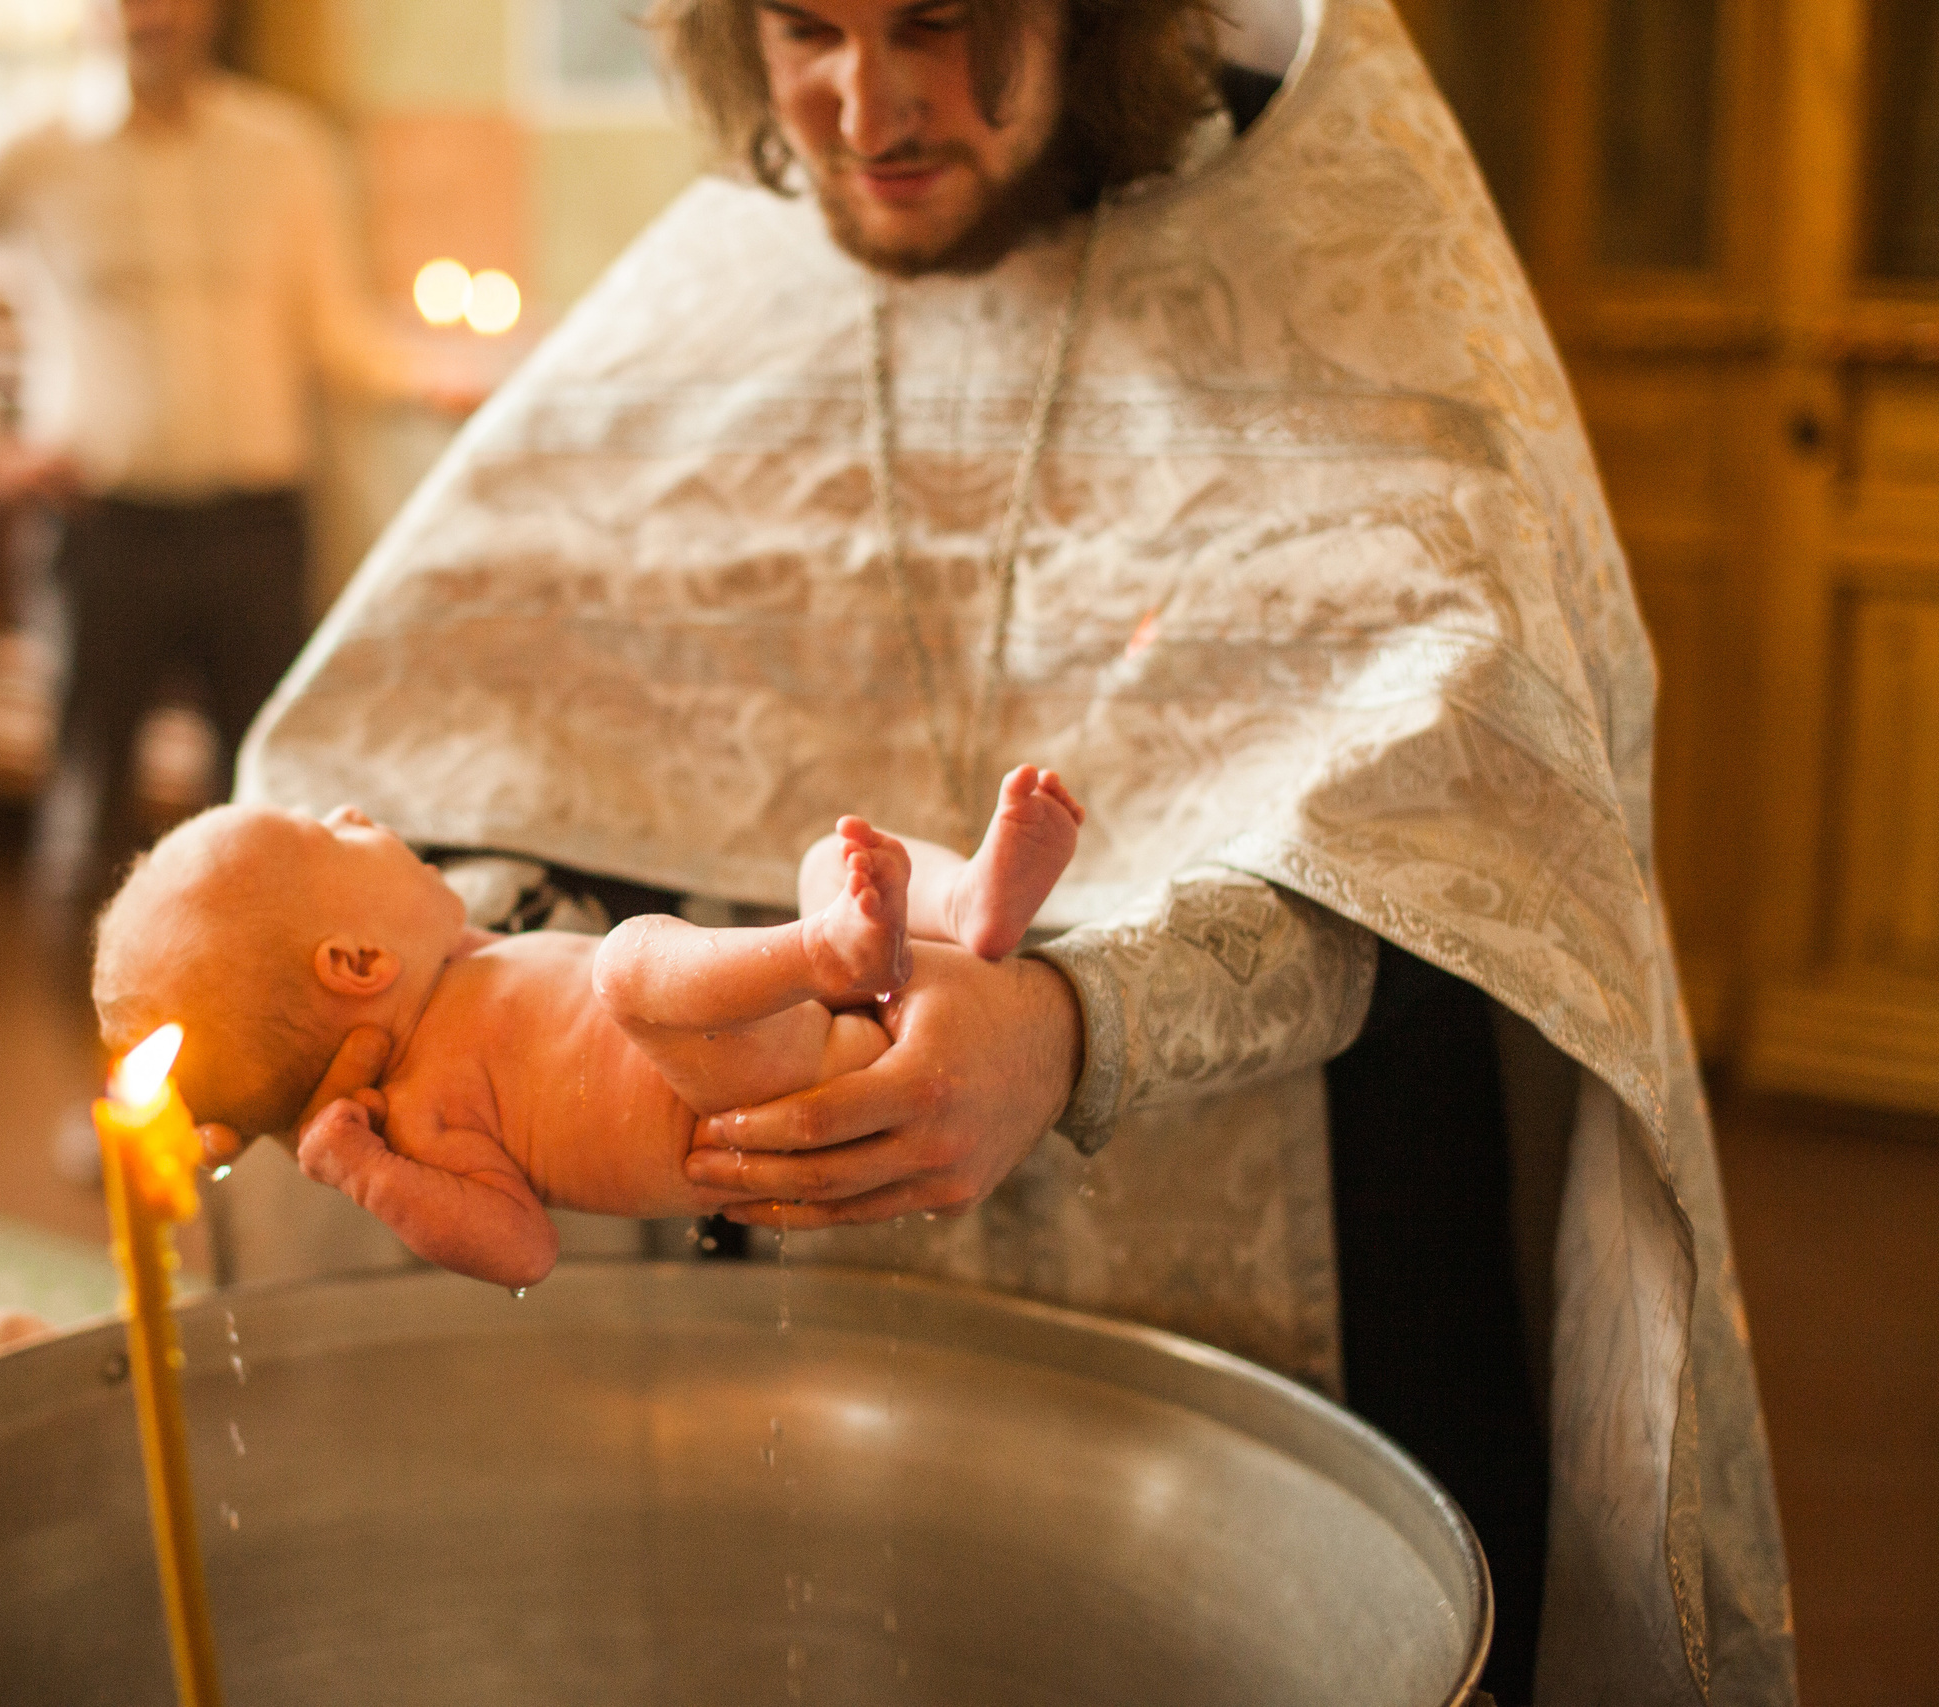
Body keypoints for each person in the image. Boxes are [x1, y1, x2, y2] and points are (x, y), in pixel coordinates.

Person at [231, 0, 1798, 1702]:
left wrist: (1072, 1024)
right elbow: (445, 756)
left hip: (1312, 1282)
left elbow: (1477, 830)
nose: (871, 104)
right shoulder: (708, 298)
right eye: (805, 30)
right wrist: (446, 969)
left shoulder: (1337, 260)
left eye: (943, 22)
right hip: (822, 1329)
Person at [0, 0, 445, 950]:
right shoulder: (33, 147)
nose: (146, 14)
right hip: (103, 527)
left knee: (269, 798)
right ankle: (92, 1071)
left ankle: (257, 1039)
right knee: (90, 801)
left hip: (256, 527)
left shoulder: (284, 148)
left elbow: (337, 331)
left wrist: (435, 380)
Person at [89, 771, 1087, 1288]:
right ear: (358, 966)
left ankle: (969, 907)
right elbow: (524, 1254)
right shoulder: (417, 1120)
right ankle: (827, 950)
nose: (353, 809)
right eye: (326, 832)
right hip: (749, 1107)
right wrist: (370, 1173)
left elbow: (453, 928)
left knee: (832, 859)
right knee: (624, 968)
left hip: (786, 1037)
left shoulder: (457, 967)